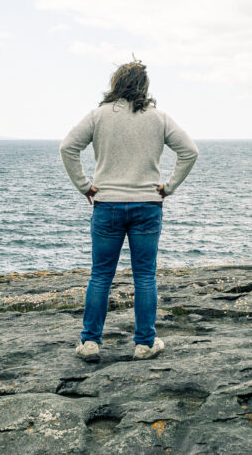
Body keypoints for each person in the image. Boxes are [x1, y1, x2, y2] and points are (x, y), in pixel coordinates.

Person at [60, 61, 199, 362]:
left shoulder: (99, 116)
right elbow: (190, 151)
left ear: (116, 83)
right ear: (144, 87)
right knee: (145, 275)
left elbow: (68, 147)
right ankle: (144, 343)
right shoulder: (158, 118)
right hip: (148, 205)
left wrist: (85, 186)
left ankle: (90, 343)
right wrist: (169, 186)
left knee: (100, 275)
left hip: (107, 204)